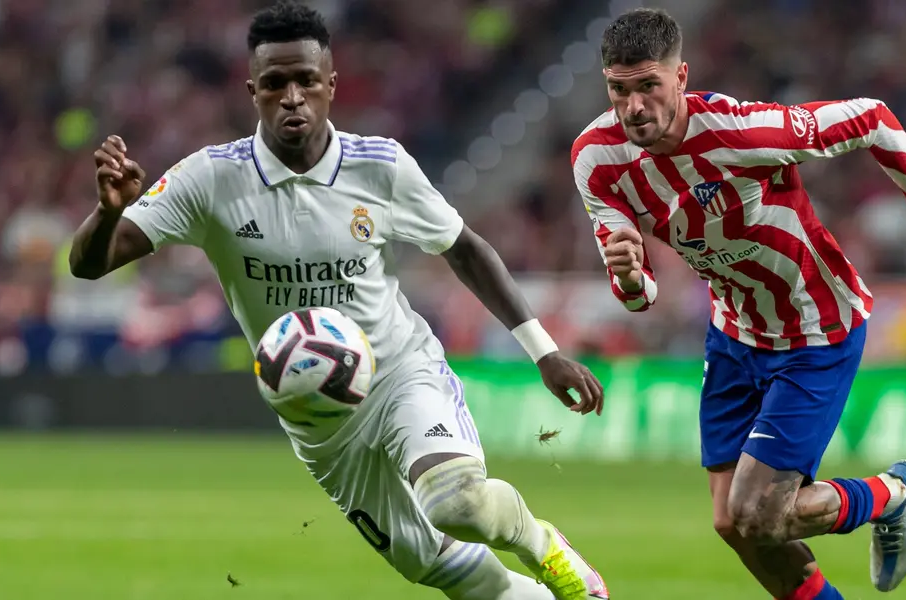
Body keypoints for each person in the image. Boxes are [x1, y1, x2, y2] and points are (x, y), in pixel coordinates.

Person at [68, 3, 609, 599]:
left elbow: (464, 249)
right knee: (443, 571)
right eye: (275, 84)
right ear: (253, 92)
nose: (292, 97)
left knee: (454, 501)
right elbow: (90, 264)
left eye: (306, 81)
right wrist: (108, 211)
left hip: (399, 374)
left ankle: (543, 547)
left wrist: (543, 351)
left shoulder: (380, 167)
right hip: (317, 418)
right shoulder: (210, 180)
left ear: (331, 86)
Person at [572, 8, 906, 599]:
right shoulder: (596, 161)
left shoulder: (743, 131)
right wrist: (628, 277)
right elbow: (640, 295)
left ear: (681, 78)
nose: (634, 107)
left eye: (649, 86)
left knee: (758, 513)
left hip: (815, 328)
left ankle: (892, 494)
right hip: (733, 332)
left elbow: (872, 119)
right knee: (735, 524)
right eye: (619, 90)